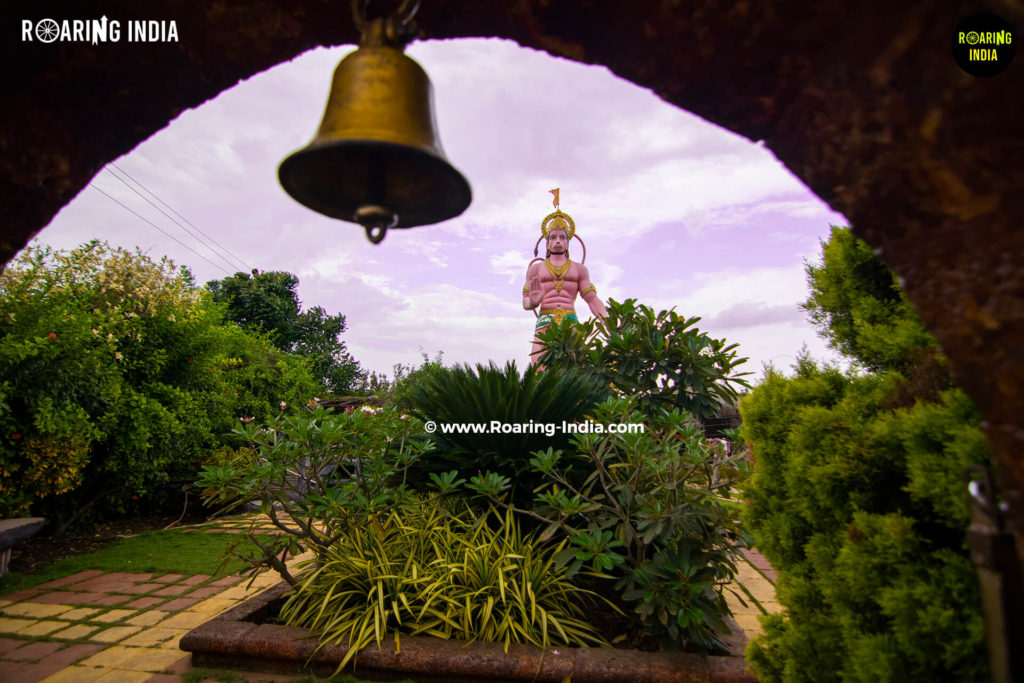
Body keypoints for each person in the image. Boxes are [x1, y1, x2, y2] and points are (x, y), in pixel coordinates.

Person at [522, 200, 607, 365]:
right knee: (539, 364)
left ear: (568, 242)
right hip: (545, 320)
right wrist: (532, 302)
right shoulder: (535, 269)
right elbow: (525, 301)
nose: (558, 241)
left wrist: (608, 321)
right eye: (553, 237)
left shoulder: (579, 269)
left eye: (562, 237)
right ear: (547, 243)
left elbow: (591, 299)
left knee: (574, 366)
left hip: (570, 319)